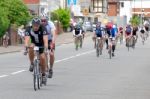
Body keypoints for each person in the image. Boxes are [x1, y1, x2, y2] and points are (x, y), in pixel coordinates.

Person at [24, 17, 48, 84]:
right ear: (32, 24)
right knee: (31, 47)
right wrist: (26, 47)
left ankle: (43, 74)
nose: (36, 27)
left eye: (37, 25)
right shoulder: (28, 29)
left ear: (39, 25)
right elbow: (27, 39)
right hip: (34, 43)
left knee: (43, 58)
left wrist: (46, 48)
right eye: (34, 25)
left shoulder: (43, 28)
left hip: (41, 44)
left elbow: (45, 40)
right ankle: (31, 63)